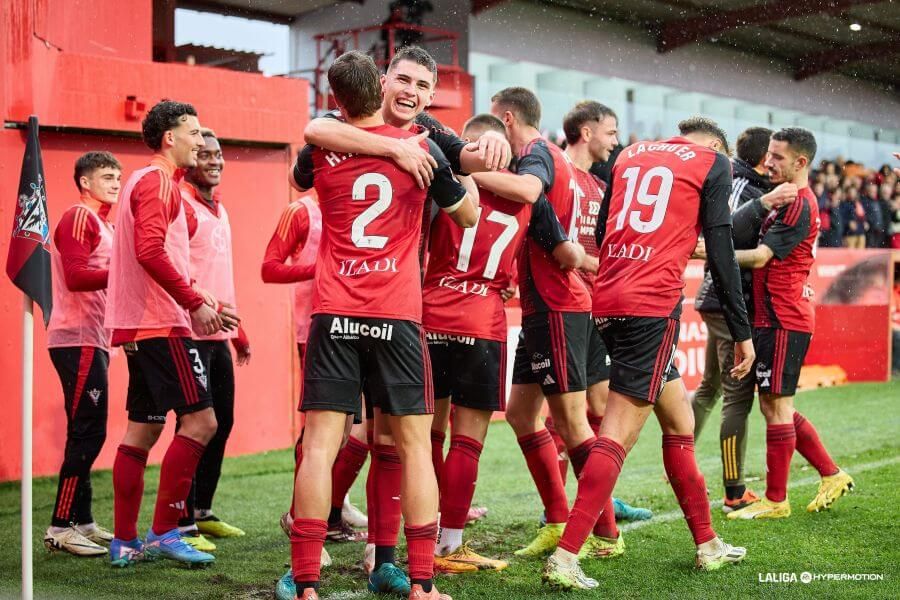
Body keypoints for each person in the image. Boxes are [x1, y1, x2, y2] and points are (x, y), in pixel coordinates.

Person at [296, 45, 509, 592]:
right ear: (383, 82)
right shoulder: (416, 146)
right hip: (397, 312)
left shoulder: (424, 138)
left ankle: (369, 558)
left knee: (377, 441)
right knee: (379, 441)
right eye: (403, 79)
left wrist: (493, 144)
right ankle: (406, 572)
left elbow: (312, 140)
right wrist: (398, 153)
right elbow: (465, 211)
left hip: (346, 309)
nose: (411, 91)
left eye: (422, 84)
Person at [543, 117, 754, 590]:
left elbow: (602, 227)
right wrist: (742, 330)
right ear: (717, 145)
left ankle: (707, 543)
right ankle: (566, 555)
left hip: (609, 299)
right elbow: (721, 250)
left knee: (679, 423)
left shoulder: (632, 153)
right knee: (617, 434)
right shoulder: (713, 162)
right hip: (651, 308)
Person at [424, 114, 581, 574]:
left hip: (429, 313)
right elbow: (566, 254)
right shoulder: (527, 194)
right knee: (467, 442)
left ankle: (419, 532)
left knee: (423, 436)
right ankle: (450, 543)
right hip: (481, 322)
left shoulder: (446, 174)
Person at [105, 100, 239, 568]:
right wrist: (194, 302)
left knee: (142, 429)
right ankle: (164, 531)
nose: (201, 142)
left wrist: (207, 299)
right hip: (161, 324)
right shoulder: (158, 181)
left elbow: (164, 255)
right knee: (203, 423)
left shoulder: (150, 183)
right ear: (170, 138)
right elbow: (149, 251)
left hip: (140, 324)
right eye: (195, 132)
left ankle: (123, 541)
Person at [471, 87, 595, 559]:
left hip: (559, 305)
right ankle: (557, 518)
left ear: (506, 119)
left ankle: (603, 532)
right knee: (522, 414)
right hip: (542, 304)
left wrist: (471, 168)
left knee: (572, 423)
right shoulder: (552, 158)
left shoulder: (538, 155)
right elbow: (548, 232)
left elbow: (533, 199)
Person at [728, 127, 853, 520]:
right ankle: (830, 474)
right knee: (775, 404)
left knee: (777, 406)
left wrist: (711, 255)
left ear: (801, 162)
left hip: (785, 316)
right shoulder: (786, 199)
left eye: (778, 157)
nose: (769, 162)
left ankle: (776, 500)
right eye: (769, 154)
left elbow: (763, 257)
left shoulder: (799, 203)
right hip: (775, 315)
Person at [553, 101, 653, 544]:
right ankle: (556, 511)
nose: (616, 141)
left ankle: (600, 503)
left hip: (594, 308)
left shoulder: (600, 184)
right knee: (560, 418)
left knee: (595, 411)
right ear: (587, 132)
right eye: (611, 132)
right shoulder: (554, 171)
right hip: (562, 306)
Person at [691, 126, 797, 513]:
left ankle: (678, 459)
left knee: (710, 386)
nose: (773, 162)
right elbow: (726, 235)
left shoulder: (742, 180)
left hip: (719, 298)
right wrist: (764, 205)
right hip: (725, 301)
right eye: (771, 155)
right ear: (760, 158)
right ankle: (734, 491)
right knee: (737, 398)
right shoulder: (743, 186)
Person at [175, 129, 251, 551]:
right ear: (190, 160)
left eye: (219, 154)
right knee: (193, 426)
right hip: (189, 332)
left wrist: (239, 333)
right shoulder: (182, 205)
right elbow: (176, 270)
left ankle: (202, 510)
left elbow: (221, 277)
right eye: (205, 154)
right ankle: (179, 518)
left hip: (220, 334)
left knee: (222, 421)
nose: (215, 161)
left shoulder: (218, 209)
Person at [43, 152, 121, 557]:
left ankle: (83, 519)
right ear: (85, 182)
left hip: (94, 339)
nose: (115, 183)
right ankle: (59, 525)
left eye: (118, 177)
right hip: (76, 339)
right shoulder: (78, 218)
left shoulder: (104, 224)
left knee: (88, 428)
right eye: (107, 176)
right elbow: (75, 277)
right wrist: (126, 270)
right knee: (88, 431)